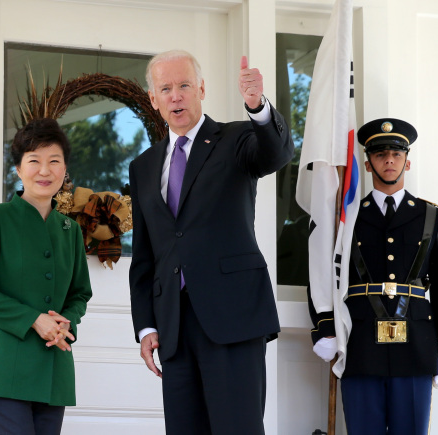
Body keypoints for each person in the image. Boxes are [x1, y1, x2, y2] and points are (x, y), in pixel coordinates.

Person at [129, 49, 294, 434]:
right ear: (153, 99)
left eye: (184, 85)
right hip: (173, 326)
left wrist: (259, 108)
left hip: (233, 317)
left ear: (201, 88)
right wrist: (145, 326)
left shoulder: (236, 138)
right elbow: (145, 253)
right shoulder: (143, 166)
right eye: (165, 88)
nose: (176, 96)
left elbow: (276, 154)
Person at [308, 118, 438, 435]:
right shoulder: (346, 217)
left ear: (407, 161)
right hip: (360, 346)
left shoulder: (433, 216)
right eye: (380, 153)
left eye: (396, 153)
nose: (389, 159)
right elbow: (323, 271)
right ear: (368, 162)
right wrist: (323, 327)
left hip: (417, 347)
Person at [0, 118, 92, 435]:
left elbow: (80, 294)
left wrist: (65, 322)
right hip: (0, 366)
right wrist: (34, 319)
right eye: (34, 161)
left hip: (52, 368)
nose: (44, 171)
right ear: (18, 169)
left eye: (54, 161)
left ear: (65, 169)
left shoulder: (69, 230)